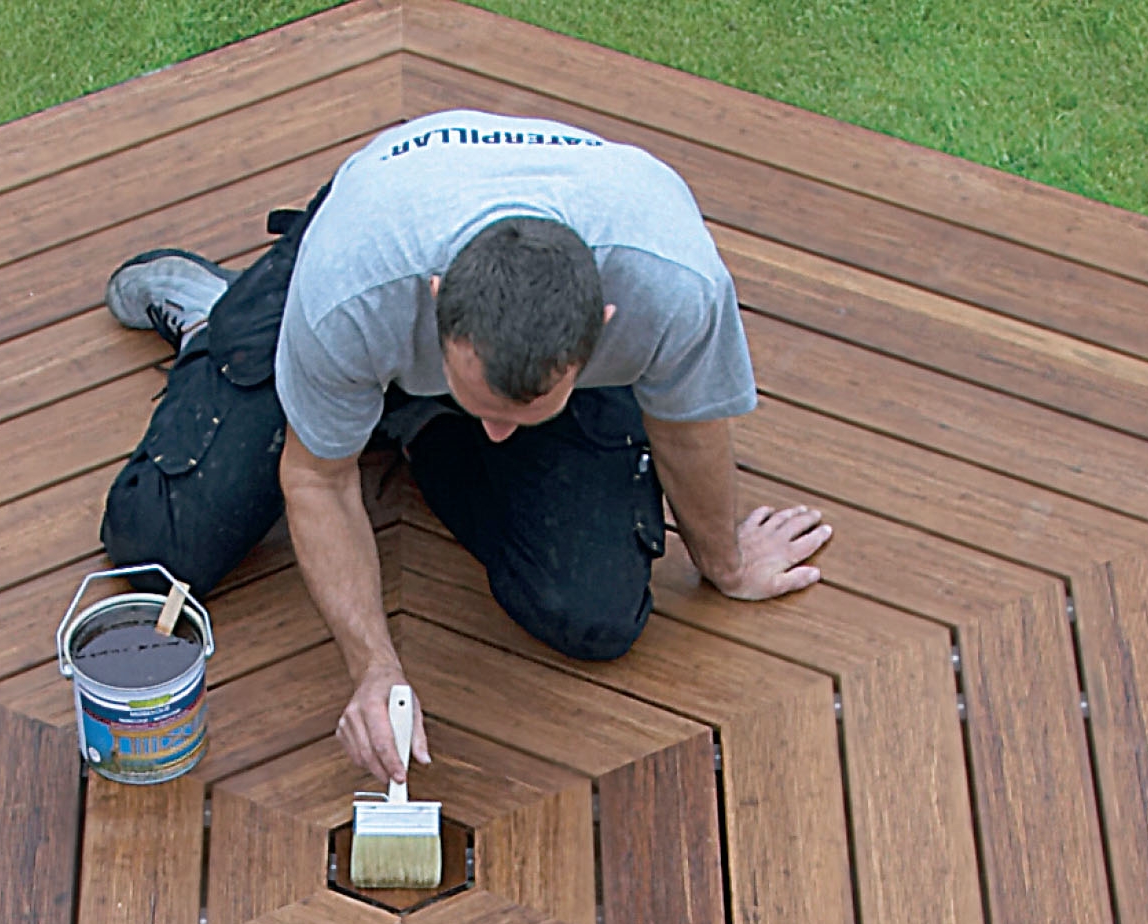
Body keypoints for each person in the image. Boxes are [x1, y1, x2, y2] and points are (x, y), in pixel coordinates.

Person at [98, 110, 829, 781]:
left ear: (604, 327)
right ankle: (224, 318)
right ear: (435, 297)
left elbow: (688, 426)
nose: (499, 432)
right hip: (362, 266)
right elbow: (319, 479)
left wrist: (725, 563)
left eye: (524, 411)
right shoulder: (349, 289)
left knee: (595, 614)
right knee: (160, 544)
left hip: (466, 337)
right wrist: (375, 669)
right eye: (484, 406)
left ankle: (400, 414)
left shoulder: (671, 286)